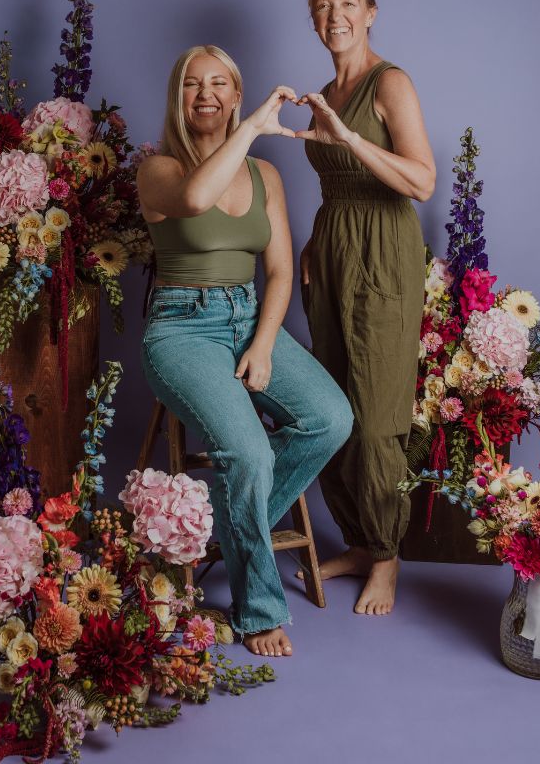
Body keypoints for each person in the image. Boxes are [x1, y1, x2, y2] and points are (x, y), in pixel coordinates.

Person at [137, 45, 354, 657]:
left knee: (331, 418)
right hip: (181, 330)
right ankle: (258, 610)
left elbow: (281, 273)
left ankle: (229, 523)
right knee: (251, 453)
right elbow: (197, 199)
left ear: (235, 93)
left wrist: (262, 346)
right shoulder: (157, 170)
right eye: (191, 84)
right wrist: (255, 126)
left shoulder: (267, 177)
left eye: (220, 84)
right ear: (178, 98)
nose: (205, 94)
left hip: (249, 318)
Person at [295, 0, 436, 615]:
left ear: (371, 11)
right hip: (333, 251)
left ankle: (387, 556)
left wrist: (349, 136)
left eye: (346, 4)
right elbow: (337, 188)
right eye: (322, 7)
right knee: (335, 404)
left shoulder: (390, 83)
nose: (334, 18)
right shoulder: (327, 88)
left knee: (378, 413)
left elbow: (421, 181)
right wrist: (311, 250)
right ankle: (357, 539)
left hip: (383, 250)